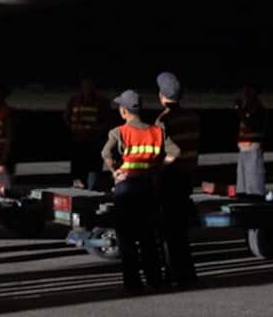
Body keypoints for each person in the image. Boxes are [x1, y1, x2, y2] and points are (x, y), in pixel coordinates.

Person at [102, 89, 179, 294]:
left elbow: (106, 153)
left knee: (126, 238)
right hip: (147, 187)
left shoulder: (118, 132)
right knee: (148, 237)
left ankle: (133, 284)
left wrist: (115, 172)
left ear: (124, 111)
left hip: (126, 188)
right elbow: (174, 152)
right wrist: (158, 168)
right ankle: (154, 280)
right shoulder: (157, 131)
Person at [155, 71, 200, 287]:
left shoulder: (163, 120)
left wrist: (158, 172)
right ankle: (187, 272)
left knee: (169, 231)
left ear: (161, 95)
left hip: (171, 179)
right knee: (180, 229)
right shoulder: (192, 117)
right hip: (187, 177)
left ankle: (175, 273)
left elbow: (164, 153)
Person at [65, 76, 112, 189]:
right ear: (81, 87)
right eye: (85, 85)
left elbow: (107, 120)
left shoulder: (102, 101)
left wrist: (96, 131)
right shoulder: (74, 100)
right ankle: (78, 186)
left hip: (94, 141)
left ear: (94, 87)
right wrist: (74, 128)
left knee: (93, 166)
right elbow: (66, 117)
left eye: (90, 85)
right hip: (78, 140)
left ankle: (92, 188)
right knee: (77, 165)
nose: (87, 88)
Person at [235, 82, 268, 197]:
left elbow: (249, 123)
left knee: (253, 173)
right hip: (244, 145)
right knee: (244, 174)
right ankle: (244, 193)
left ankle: (254, 194)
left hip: (252, 145)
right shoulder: (248, 107)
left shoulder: (257, 108)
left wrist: (239, 110)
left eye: (249, 90)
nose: (245, 92)